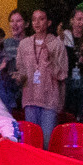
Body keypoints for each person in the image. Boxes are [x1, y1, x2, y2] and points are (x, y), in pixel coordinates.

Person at [15, 9, 66, 143]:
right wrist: (18, 77)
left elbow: (62, 74)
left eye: (41, 19)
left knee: (46, 142)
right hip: (30, 98)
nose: (37, 22)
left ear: (49, 22)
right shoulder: (24, 44)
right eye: (34, 19)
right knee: (31, 142)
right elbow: (20, 69)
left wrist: (50, 60)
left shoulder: (57, 44)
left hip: (49, 100)